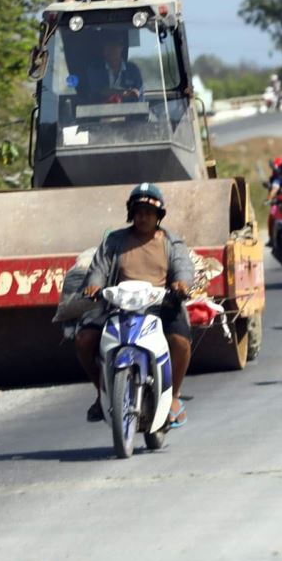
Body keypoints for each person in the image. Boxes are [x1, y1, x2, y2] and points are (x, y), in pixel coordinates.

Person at [76, 183, 195, 427]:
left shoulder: (171, 242)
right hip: (118, 305)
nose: (143, 217)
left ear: (158, 216)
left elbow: (183, 267)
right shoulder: (114, 241)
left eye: (149, 212)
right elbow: (99, 268)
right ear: (131, 213)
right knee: (85, 339)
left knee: (181, 342)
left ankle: (173, 397)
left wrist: (182, 283)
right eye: (139, 212)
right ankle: (103, 392)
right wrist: (94, 285)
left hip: (160, 305)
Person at [79, 34, 143, 102]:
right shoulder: (95, 69)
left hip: (131, 110)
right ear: (103, 50)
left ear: (121, 47)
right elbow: (96, 91)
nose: (111, 50)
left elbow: (138, 93)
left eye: (114, 46)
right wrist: (124, 93)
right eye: (107, 47)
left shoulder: (133, 70)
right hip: (99, 110)